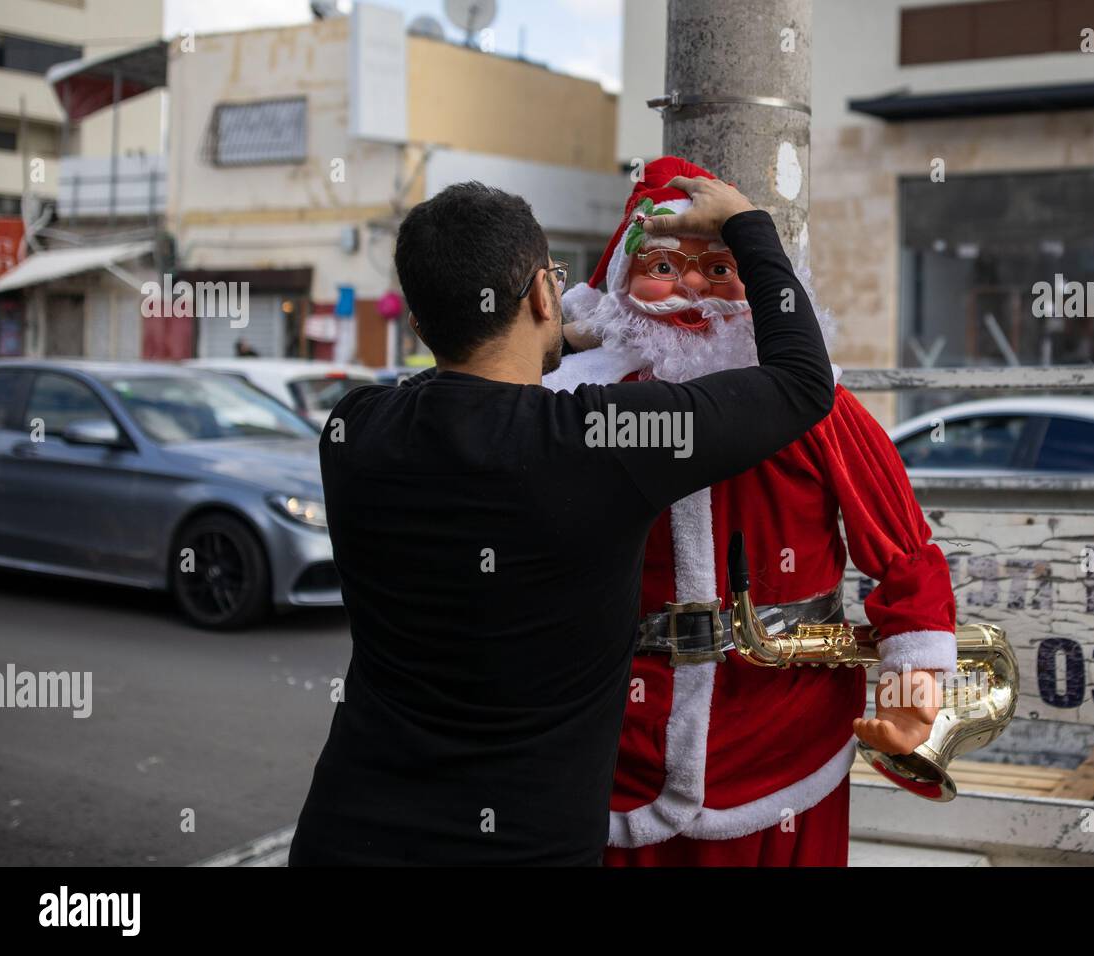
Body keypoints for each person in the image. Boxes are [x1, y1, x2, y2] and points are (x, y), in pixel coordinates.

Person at [288, 171, 835, 865]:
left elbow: (454, 391)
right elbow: (802, 382)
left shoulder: (356, 429)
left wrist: (586, 337)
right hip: (526, 850)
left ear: (419, 323)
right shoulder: (599, 443)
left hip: (346, 835)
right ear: (546, 293)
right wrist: (748, 224)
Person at [543, 155, 957, 866]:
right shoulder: (574, 404)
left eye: (721, 267)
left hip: (784, 742)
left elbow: (902, 548)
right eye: (666, 268)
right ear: (620, 281)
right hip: (616, 746)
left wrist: (911, 676)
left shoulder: (816, 404)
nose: (695, 288)